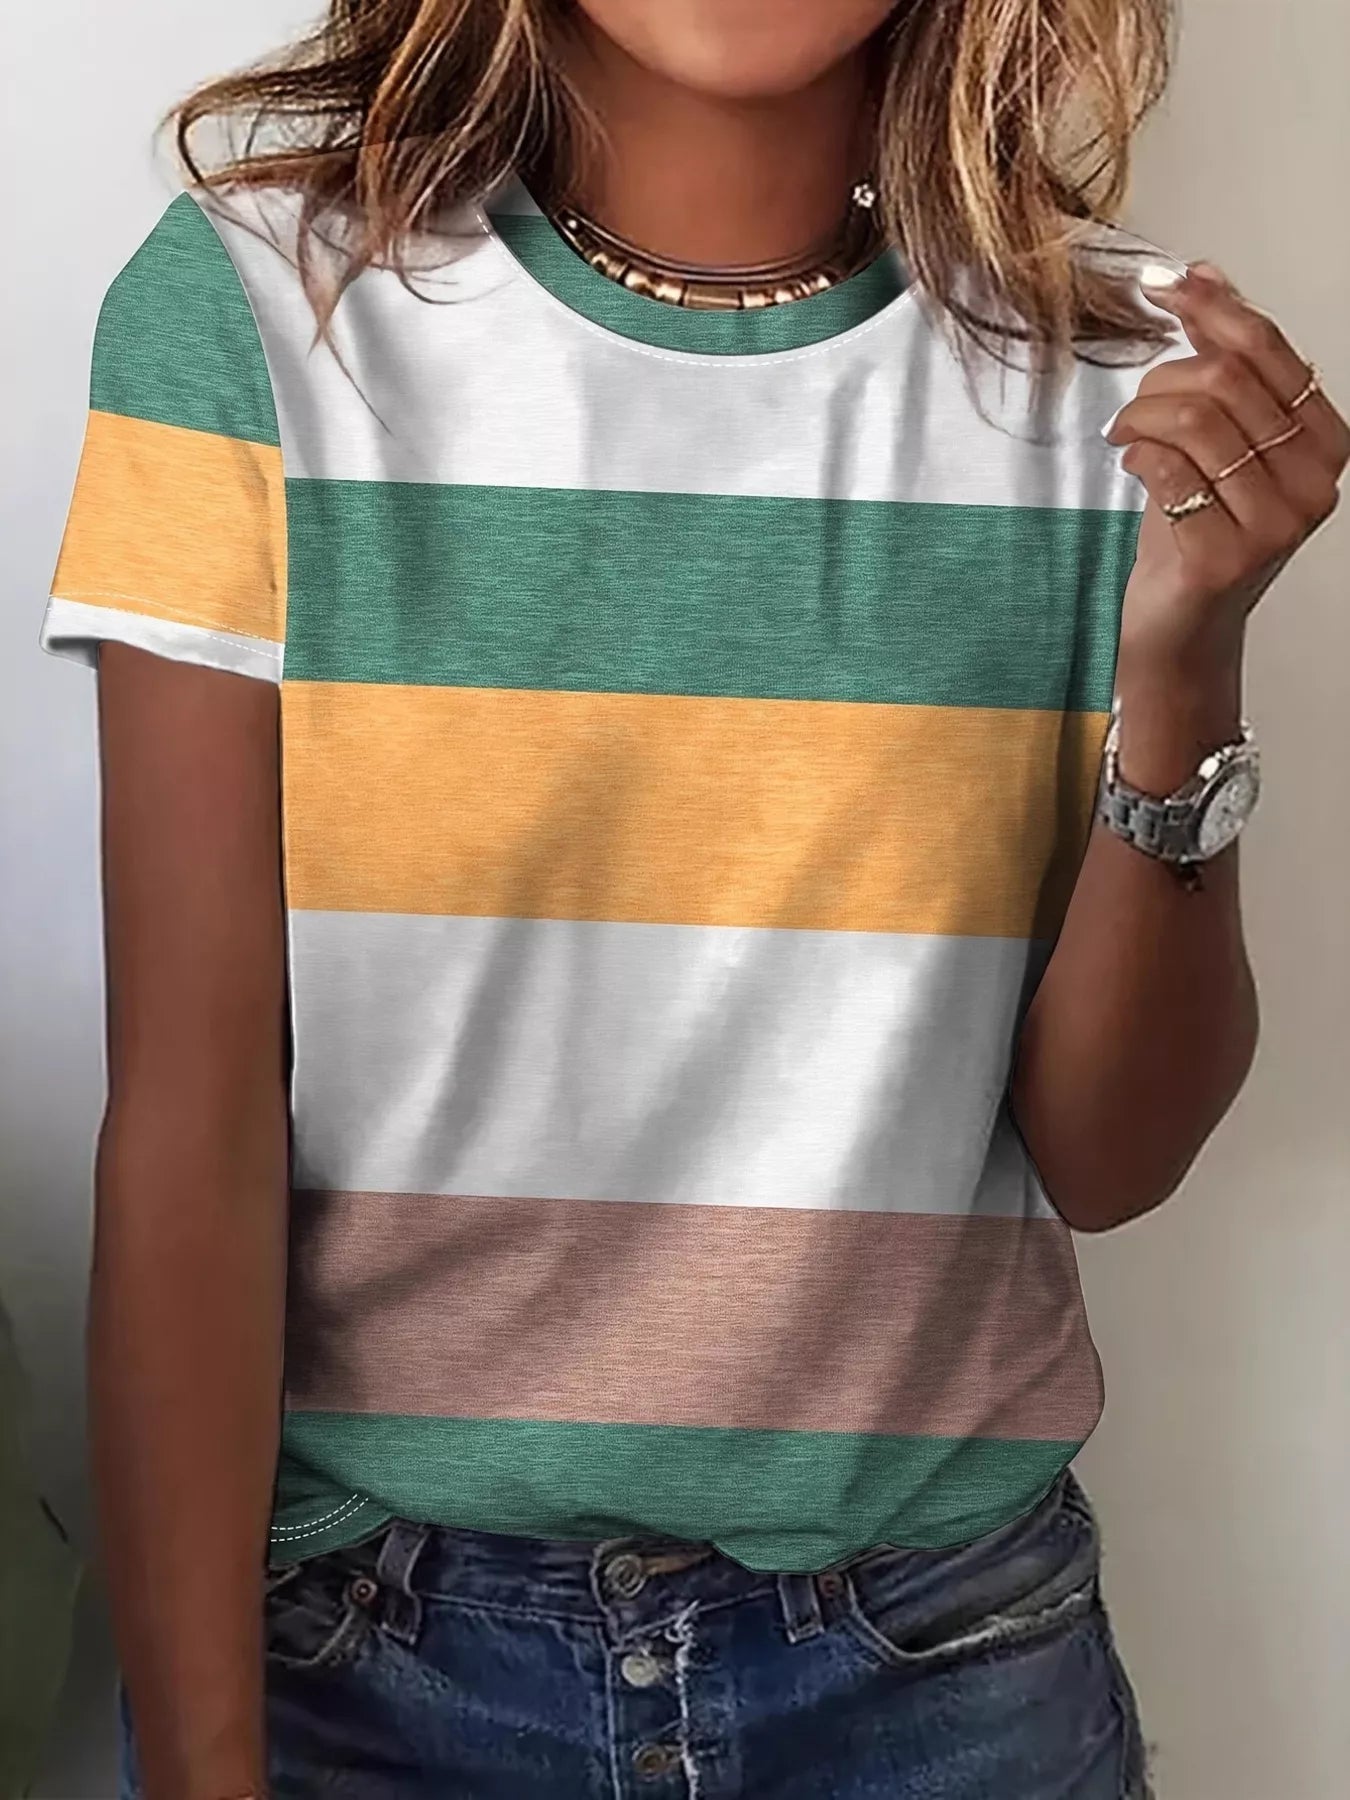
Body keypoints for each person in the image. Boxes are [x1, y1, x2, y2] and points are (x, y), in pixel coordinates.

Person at [41, 1, 1347, 1795]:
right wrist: (201, 1764)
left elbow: (1109, 1159)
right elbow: (190, 1128)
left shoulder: (1122, 373)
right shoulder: (262, 310)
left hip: (938, 1667)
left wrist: (1185, 661)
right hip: (371, 1665)